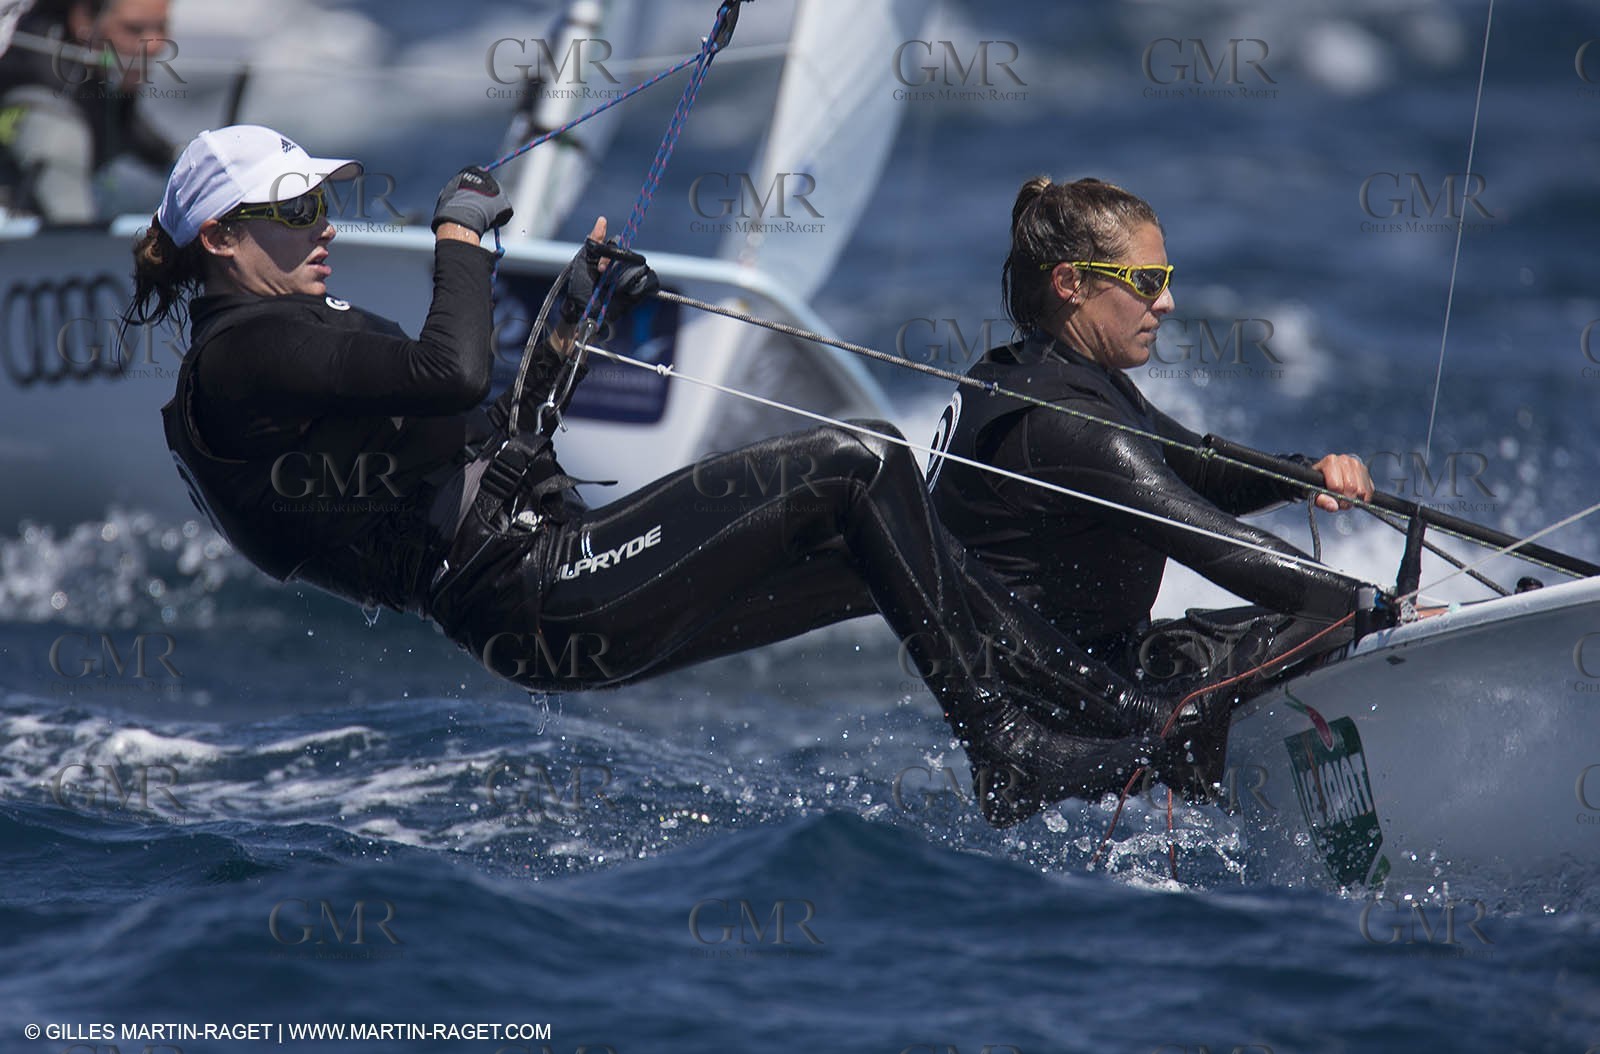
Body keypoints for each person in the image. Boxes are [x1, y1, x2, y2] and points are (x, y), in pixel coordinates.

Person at [134, 126, 1228, 830]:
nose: (319, 227)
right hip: (538, 586)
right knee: (860, 461)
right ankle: (1023, 746)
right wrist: (459, 236)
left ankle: (1115, 710)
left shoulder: (266, 344)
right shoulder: (241, 352)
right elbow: (450, 365)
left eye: (320, 203)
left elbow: (468, 434)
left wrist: (565, 326)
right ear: (223, 238)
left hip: (544, 575)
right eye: (290, 212)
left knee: (888, 542)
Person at [931, 176, 1377, 717]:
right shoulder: (1061, 423)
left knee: (1310, 617)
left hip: (1090, 685)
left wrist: (1307, 476)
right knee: (1330, 621)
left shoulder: (1040, 373)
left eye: (1165, 278)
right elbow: (1213, 542)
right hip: (1087, 726)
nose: (1166, 302)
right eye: (1146, 280)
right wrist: (1371, 608)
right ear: (1070, 282)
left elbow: (1202, 472)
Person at [0, 0, 176, 221]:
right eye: (134, 29)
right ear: (82, 20)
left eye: (162, 27)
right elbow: (76, 238)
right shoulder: (49, 111)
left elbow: (136, 133)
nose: (156, 45)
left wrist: (178, 157)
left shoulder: (94, 76)